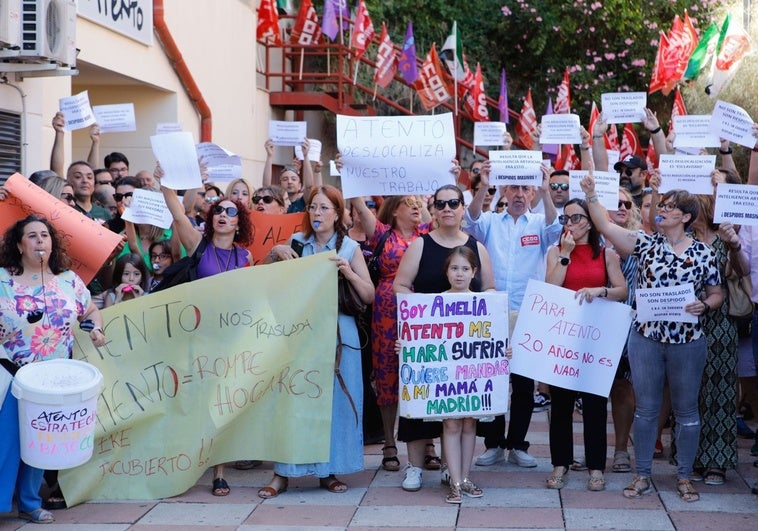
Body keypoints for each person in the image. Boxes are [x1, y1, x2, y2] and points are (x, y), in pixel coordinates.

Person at [580, 173, 723, 503]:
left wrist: (705, 304)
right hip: (646, 338)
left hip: (688, 340)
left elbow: (717, 293)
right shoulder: (644, 243)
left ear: (686, 217)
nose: (661, 210)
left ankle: (684, 477)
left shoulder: (704, 253)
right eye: (661, 205)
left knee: (687, 412)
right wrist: (590, 194)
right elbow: (605, 227)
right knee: (646, 409)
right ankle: (641, 474)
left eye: (670, 208)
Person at [259, 185, 374, 498]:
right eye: (313, 207)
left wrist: (348, 272)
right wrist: (273, 254)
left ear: (337, 213)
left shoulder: (349, 247)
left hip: (339, 334)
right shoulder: (296, 243)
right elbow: (262, 280)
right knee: (294, 399)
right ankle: (283, 473)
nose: (317, 213)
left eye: (324, 208)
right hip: (302, 333)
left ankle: (328, 470)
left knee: (335, 403)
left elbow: (369, 295)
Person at [0, 215, 106, 524]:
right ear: (19, 245)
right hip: (11, 373)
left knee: (39, 442)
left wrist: (95, 329)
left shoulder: (68, 280)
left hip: (54, 378)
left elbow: (89, 311)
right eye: (31, 236)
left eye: (44, 235)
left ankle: (31, 502)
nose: (39, 241)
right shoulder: (3, 280)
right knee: (8, 440)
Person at [158, 167, 254, 496]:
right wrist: (167, 179)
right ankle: (187, 460)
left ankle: (219, 470)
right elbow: (174, 207)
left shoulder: (245, 256)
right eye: (218, 210)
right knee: (195, 401)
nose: (223, 215)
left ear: (240, 221)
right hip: (197, 337)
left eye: (231, 211)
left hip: (230, 338)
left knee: (222, 403)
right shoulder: (198, 244)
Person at [394, 184, 495, 492]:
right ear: (434, 210)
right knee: (419, 403)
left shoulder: (477, 247)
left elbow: (490, 290)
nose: (448, 208)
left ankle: (453, 470)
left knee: (458, 410)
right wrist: (419, 321)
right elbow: (400, 286)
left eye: (454, 202)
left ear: (463, 208)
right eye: (441, 204)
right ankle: (414, 467)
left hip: (463, 344)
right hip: (428, 340)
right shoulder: (420, 245)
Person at [464, 160, 560, 468]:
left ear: (532, 192)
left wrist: (547, 191)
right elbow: (472, 220)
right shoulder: (492, 221)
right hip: (491, 311)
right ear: (505, 189)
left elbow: (554, 228)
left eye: (525, 188)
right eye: (514, 187)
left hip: (529, 310)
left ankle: (518, 443)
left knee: (523, 383)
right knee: (492, 379)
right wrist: (483, 185)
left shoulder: (539, 224)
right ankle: (493, 443)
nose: (519, 194)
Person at [544, 199, 628, 492]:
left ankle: (595, 467)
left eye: (576, 217)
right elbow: (550, 289)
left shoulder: (606, 255)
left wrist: (600, 290)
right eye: (565, 219)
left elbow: (622, 291)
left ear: (591, 222)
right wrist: (565, 256)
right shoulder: (555, 252)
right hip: (563, 340)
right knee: (562, 404)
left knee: (594, 406)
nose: (569, 223)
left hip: (595, 341)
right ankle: (560, 463)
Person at [350, 193, 434, 475]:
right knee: (387, 375)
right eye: (409, 205)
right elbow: (359, 206)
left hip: (422, 311)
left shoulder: (427, 233)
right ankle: (389, 443)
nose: (416, 209)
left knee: (424, 372)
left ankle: (428, 442)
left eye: (418, 205)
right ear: (395, 210)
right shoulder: (382, 234)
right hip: (387, 311)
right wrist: (352, 175)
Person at [684, 196, 742, 485]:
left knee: (719, 392)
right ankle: (691, 458)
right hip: (686, 321)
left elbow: (741, 270)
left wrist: (734, 246)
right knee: (691, 393)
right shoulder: (681, 240)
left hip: (719, 325)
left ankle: (717, 461)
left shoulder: (725, 236)